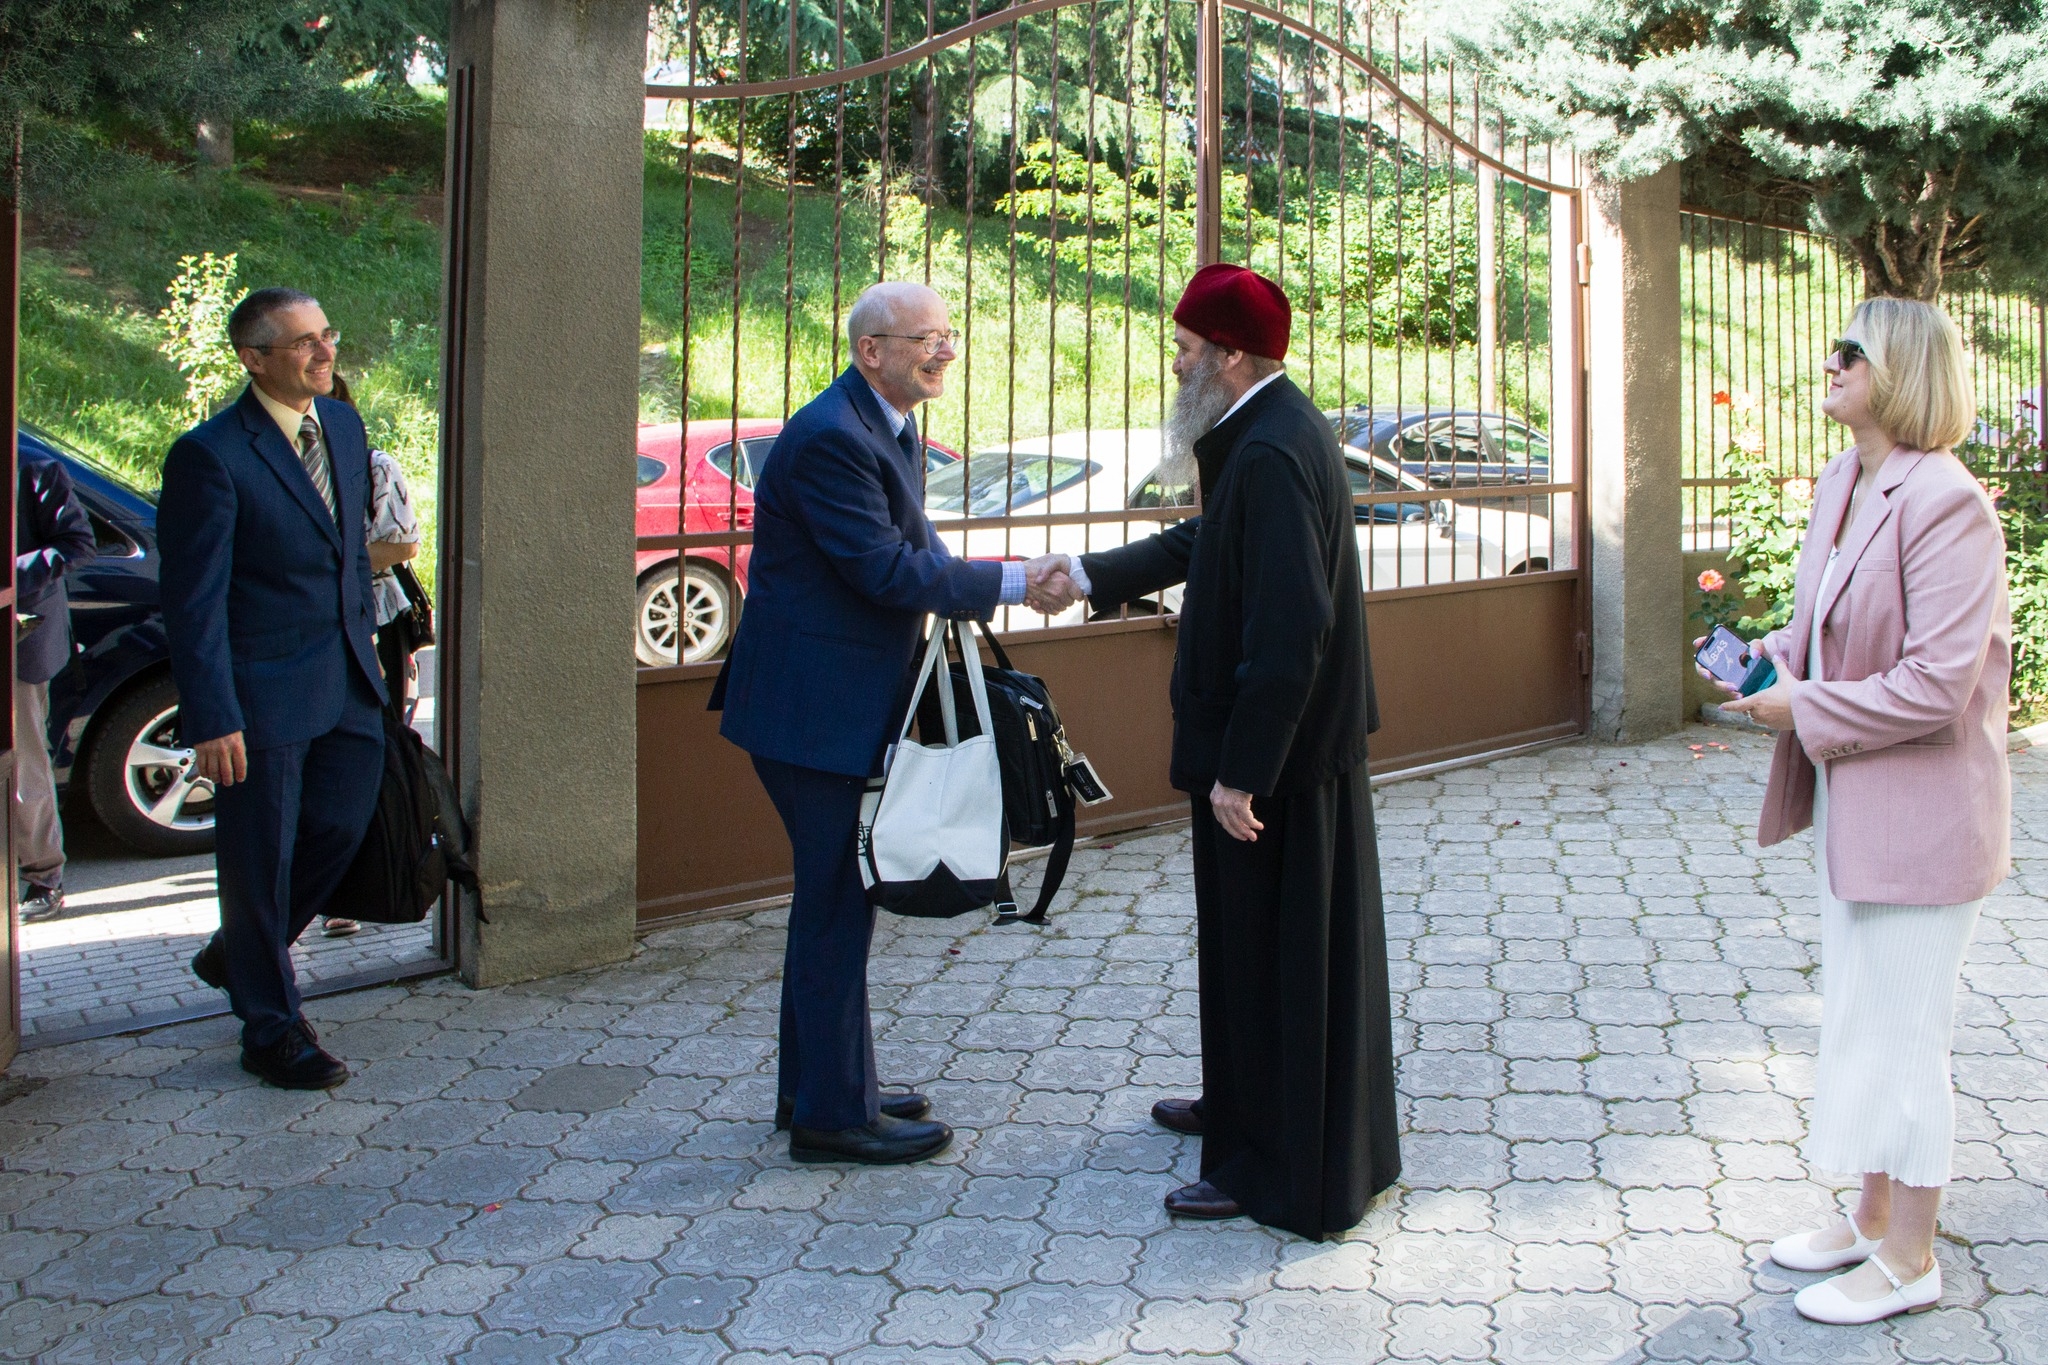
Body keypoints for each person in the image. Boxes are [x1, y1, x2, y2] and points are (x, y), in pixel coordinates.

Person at [1034, 263, 1399, 1240]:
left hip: (1272, 764)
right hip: (1276, 751)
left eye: (1188, 350)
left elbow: (1291, 629)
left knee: (1271, 958)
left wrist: (1245, 767)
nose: (1178, 363)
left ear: (1231, 356)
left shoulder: (1273, 452)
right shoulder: (1266, 434)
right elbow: (1210, 545)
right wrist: (1088, 572)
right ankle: (1238, 1104)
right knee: (1244, 951)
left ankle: (1266, 1162)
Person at [710, 281, 1070, 1164]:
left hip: (829, 704)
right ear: (871, 349)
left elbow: (918, 554)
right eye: (925, 339)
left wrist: (1003, 577)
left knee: (830, 900)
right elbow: (887, 572)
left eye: (949, 335)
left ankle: (823, 1084)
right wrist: (1021, 581)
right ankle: (833, 1117)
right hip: (810, 711)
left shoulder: (880, 425)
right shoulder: (835, 436)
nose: (944, 351)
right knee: (838, 900)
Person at [1711, 299, 2009, 1324]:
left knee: (1904, 1034)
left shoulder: (1946, 503)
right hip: (1856, 800)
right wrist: (1774, 668)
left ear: (1897, 374)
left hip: (1925, 816)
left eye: (1850, 352)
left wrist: (1806, 707)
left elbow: (1934, 683)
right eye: (1831, 344)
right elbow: (1819, 625)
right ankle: (1868, 1212)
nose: (1827, 362)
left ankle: (1910, 1258)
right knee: (1857, 1019)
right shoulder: (1846, 479)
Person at [163, 287, 387, 1090]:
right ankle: (271, 1028)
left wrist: (375, 657)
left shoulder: (346, 426)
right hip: (261, 699)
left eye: (327, 334)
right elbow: (193, 600)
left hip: (348, 683)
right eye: (302, 343)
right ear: (254, 358)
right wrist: (212, 713)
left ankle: (238, 954)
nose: (325, 352)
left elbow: (349, 554)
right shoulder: (212, 455)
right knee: (257, 863)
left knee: (343, 824)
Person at [319, 372, 425, 939]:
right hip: (304, 632)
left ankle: (355, 886)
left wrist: (323, 559)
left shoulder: (373, 464)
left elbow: (405, 542)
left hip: (372, 622)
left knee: (366, 751)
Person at [14, 442, 98, 922]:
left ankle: (43, 878)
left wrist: (11, 575)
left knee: (25, 763)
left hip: (19, 635)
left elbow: (78, 544)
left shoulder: (34, 464)